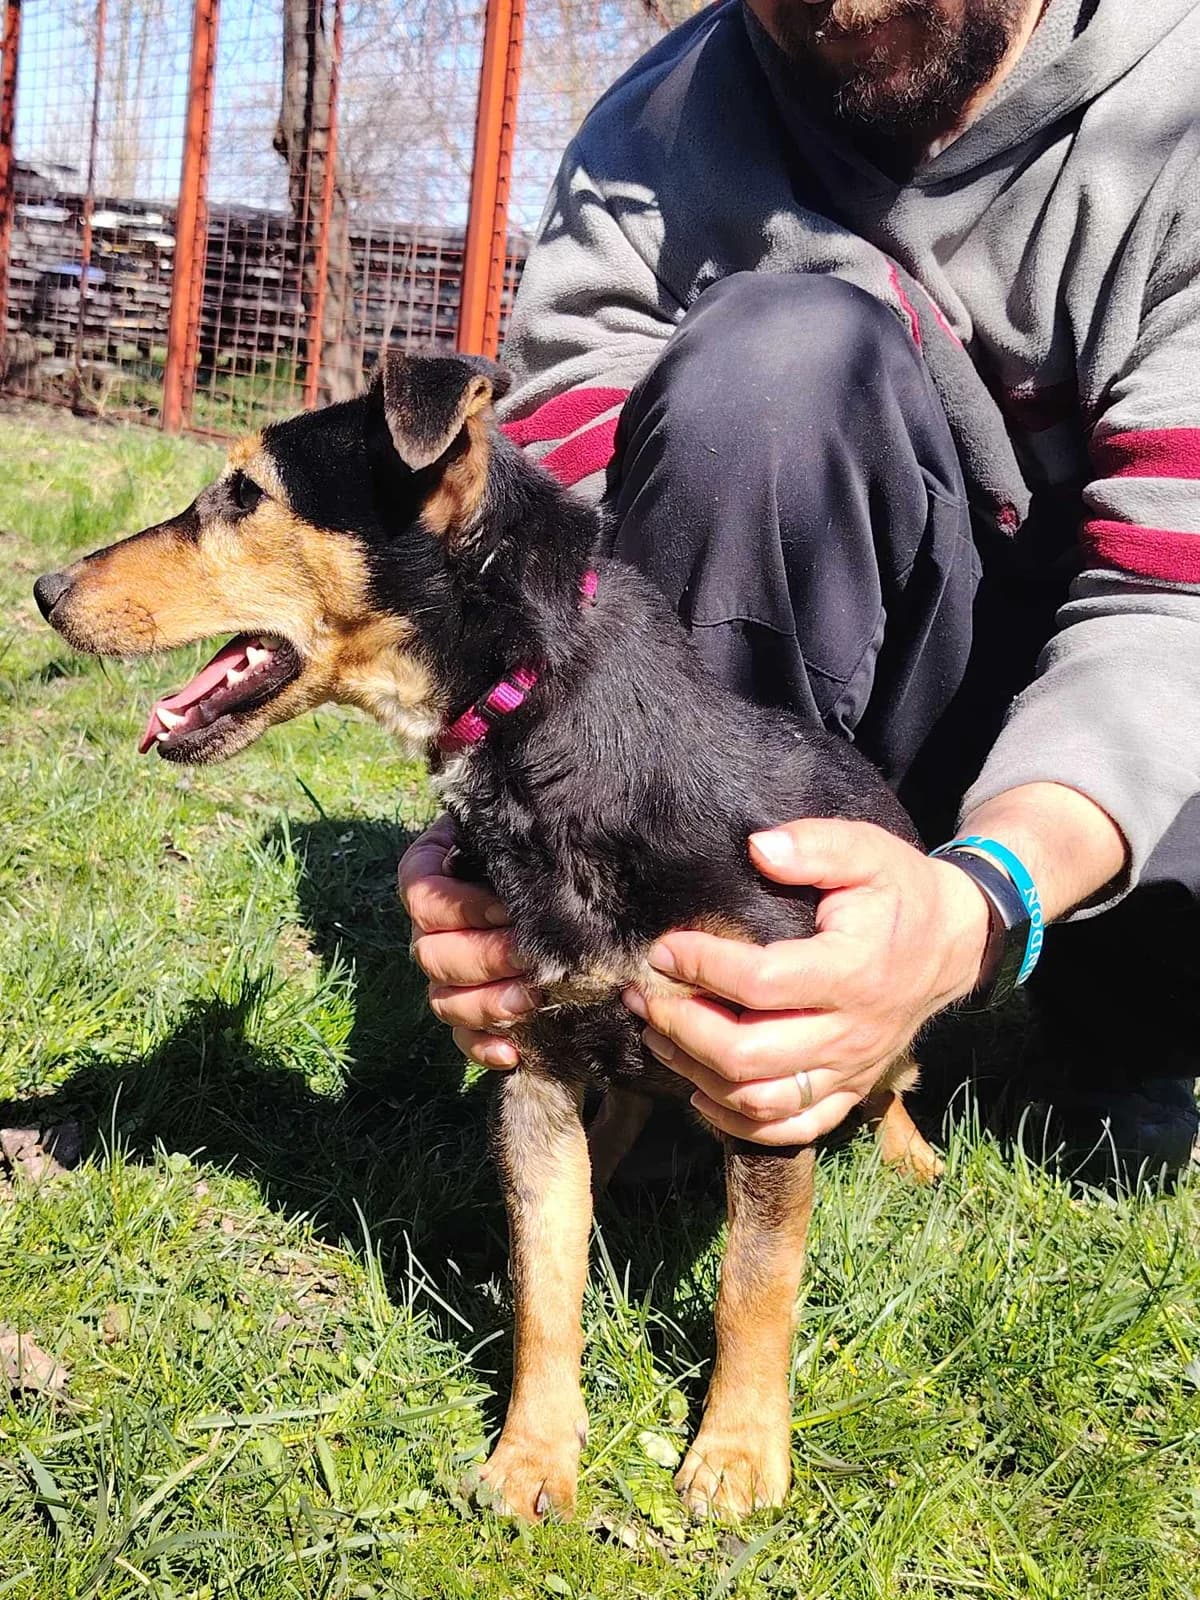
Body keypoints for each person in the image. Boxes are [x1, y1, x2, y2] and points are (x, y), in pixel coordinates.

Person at [400, 0, 1200, 1178]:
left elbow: (1173, 605)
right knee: (770, 371)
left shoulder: (1175, 113)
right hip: (817, 729)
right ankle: (689, 1027)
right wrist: (503, 811)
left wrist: (976, 902)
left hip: (1118, 729)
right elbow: (549, 572)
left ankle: (1129, 1029)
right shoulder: (654, 135)